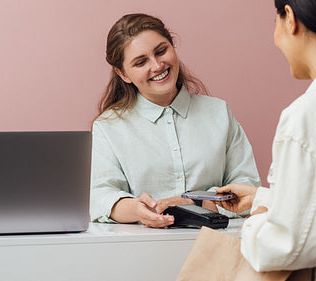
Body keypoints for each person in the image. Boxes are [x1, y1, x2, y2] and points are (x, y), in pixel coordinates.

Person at [215, 0, 316, 280]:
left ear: (289, 17)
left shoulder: (310, 114)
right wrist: (262, 197)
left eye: (274, 22)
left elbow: (289, 247)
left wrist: (257, 219)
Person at [90, 13, 261, 228]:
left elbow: (248, 186)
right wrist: (138, 210)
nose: (157, 65)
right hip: (140, 248)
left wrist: (193, 203)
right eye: (141, 62)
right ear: (123, 73)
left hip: (216, 244)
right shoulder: (108, 126)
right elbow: (101, 197)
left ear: (173, 46)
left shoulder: (219, 112)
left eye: (161, 51)